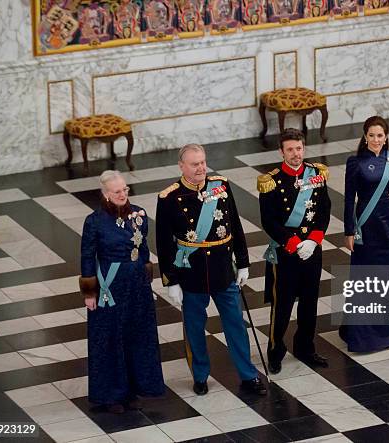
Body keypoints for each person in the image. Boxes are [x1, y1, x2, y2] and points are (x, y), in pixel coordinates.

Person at [156, 144, 266, 396]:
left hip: (222, 269)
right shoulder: (169, 198)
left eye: (203, 162)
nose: (201, 168)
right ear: (181, 166)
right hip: (191, 273)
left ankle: (248, 375)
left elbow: (235, 226)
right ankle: (200, 375)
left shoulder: (221, 186)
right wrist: (171, 280)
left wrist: (244, 262)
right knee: (195, 327)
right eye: (195, 164)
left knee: (236, 324)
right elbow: (164, 244)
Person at [79, 170, 165, 414]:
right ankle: (111, 395)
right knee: (110, 339)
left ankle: (134, 389)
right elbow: (87, 257)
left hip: (137, 285)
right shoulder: (94, 221)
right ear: (106, 194)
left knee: (137, 336)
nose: (122, 194)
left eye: (125, 189)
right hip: (110, 286)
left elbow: (144, 248)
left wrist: (147, 280)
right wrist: (89, 292)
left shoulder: (139, 214)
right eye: (117, 191)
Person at [257, 128, 331, 374]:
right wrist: (293, 243)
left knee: (309, 303)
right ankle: (276, 351)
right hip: (286, 252)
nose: (295, 153)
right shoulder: (272, 181)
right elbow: (269, 221)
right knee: (282, 305)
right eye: (290, 149)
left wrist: (313, 241)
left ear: (304, 148)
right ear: (281, 151)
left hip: (311, 249)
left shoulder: (316, 175)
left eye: (298, 148)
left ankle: (305, 348)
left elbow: (324, 211)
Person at [340, 116, 389, 353]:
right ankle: (363, 336)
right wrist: (349, 230)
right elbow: (349, 198)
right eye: (371, 135)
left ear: (386, 137)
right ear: (364, 137)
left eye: (380, 135)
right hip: (366, 225)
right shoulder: (355, 162)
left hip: (388, 224)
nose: (376, 140)